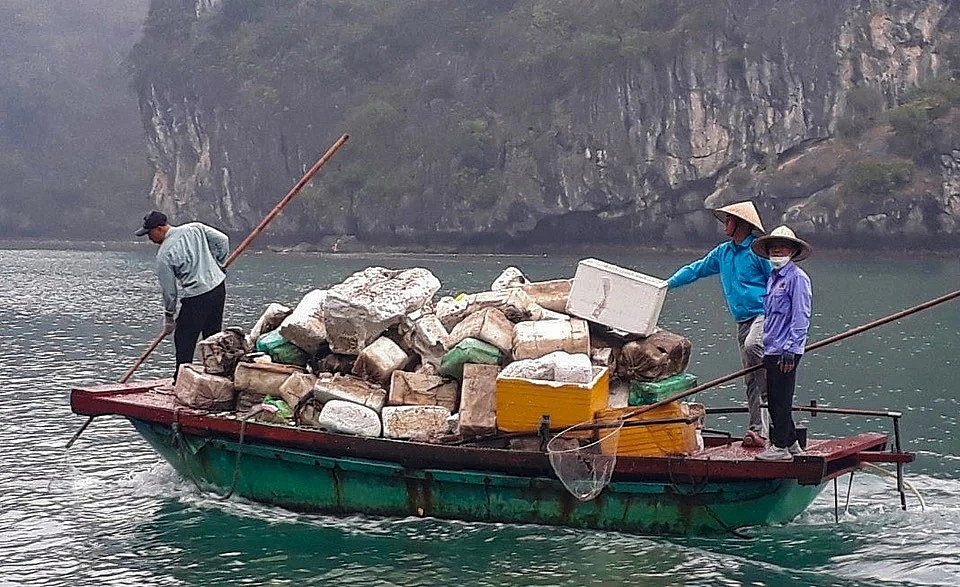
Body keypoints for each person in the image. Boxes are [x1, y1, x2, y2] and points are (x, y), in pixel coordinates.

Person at [666, 201, 773, 446]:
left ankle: (772, 393)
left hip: (764, 315)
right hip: (743, 320)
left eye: (729, 220)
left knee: (753, 347)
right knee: (750, 379)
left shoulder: (757, 252)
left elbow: (776, 282)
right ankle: (758, 430)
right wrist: (668, 284)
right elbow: (696, 269)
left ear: (742, 225)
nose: (725, 224)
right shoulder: (723, 253)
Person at [135, 210, 230, 378]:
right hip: (218, 288)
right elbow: (223, 240)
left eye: (150, 234)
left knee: (184, 337)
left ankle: (181, 378)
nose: (149, 239)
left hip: (197, 296)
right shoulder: (195, 228)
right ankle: (217, 375)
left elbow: (170, 292)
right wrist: (219, 263)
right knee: (212, 335)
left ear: (159, 229)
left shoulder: (165, 254)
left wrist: (169, 318)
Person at [750, 225, 813, 461]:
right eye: (774, 248)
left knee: (780, 400)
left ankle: (780, 447)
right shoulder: (773, 279)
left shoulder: (798, 279)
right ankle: (792, 443)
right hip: (772, 347)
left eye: (783, 247)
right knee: (775, 397)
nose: (778, 252)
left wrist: (791, 348)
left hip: (786, 350)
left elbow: (800, 316)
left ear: (792, 252)